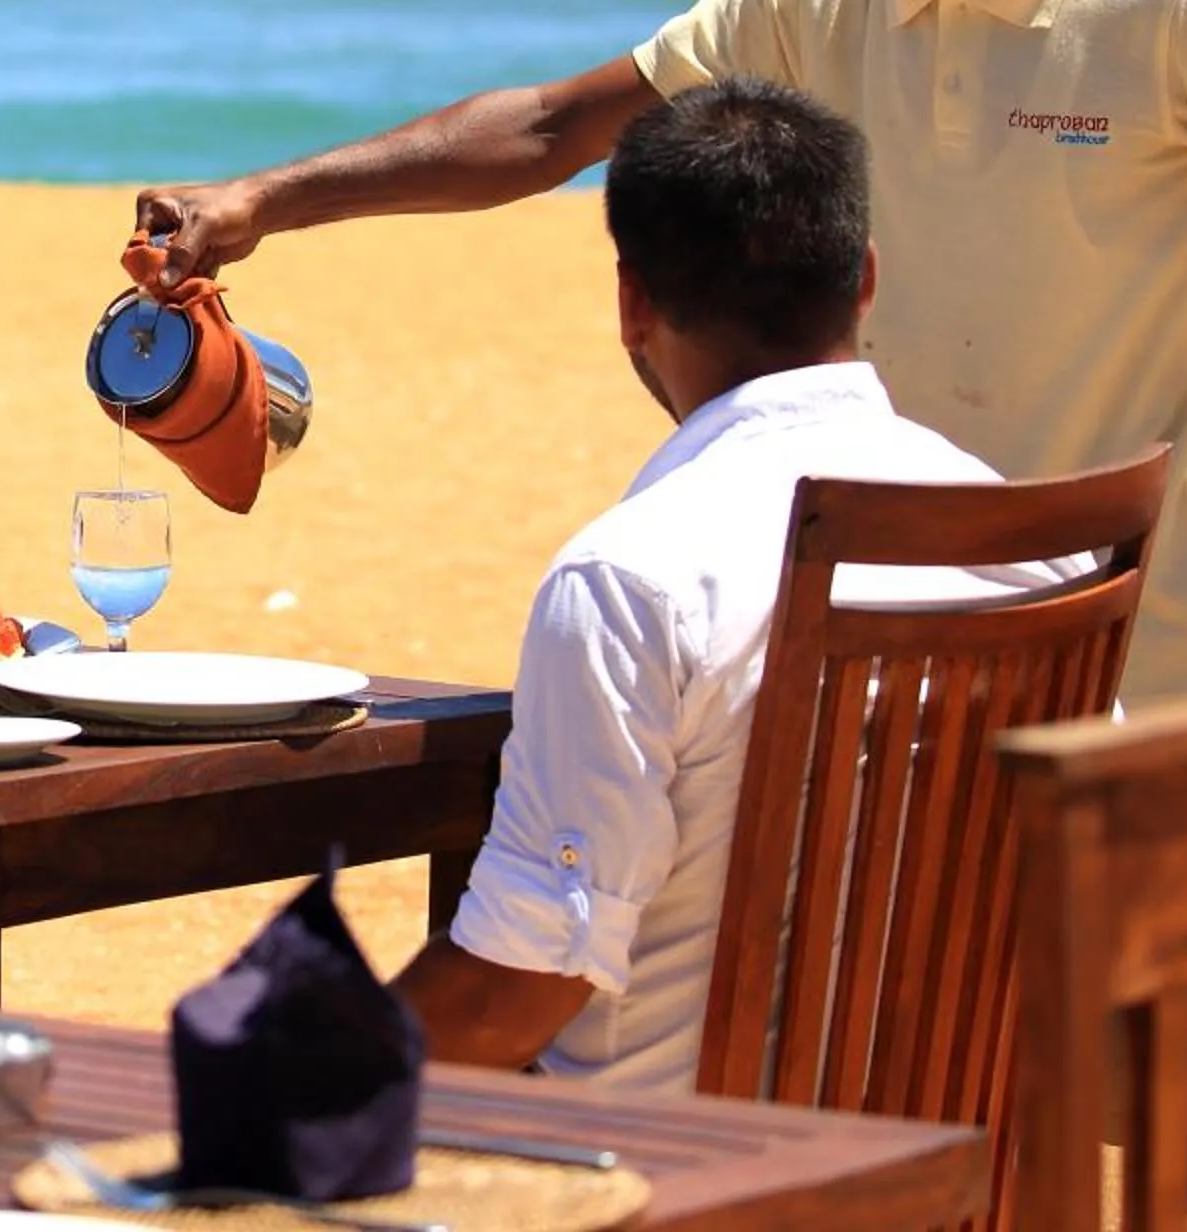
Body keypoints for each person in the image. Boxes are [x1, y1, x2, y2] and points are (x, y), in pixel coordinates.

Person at [142, 0, 1187, 1191]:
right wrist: (268, 198)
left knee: (1155, 1044)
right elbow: (550, 127)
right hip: (880, 598)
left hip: (1136, 603)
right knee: (927, 1011)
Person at [386, 76, 1090, 1088]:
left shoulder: (636, 579)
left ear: (633, 304)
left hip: (680, 1182)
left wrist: (281, 1063)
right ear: (865, 281)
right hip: (948, 1171)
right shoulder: (1037, 547)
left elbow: (517, 993)